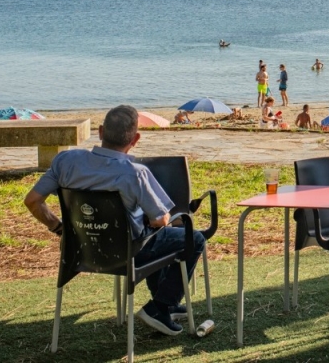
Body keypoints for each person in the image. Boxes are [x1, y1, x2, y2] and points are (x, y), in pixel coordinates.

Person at [23, 105, 205, 335]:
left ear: (100, 131)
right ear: (135, 139)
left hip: (81, 250)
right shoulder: (135, 172)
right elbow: (161, 220)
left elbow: (32, 201)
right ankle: (161, 306)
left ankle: (165, 304)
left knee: (155, 238)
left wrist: (60, 229)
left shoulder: (66, 161)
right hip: (127, 253)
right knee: (192, 238)